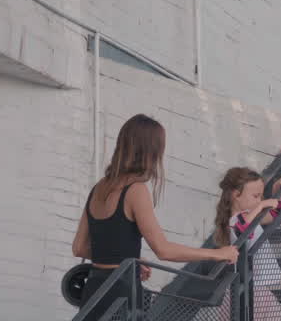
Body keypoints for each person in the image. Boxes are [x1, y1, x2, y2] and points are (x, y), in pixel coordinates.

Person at [72, 114, 238, 320]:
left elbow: (79, 248)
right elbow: (163, 250)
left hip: (94, 291)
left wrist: (127, 260)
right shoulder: (136, 190)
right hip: (120, 294)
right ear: (150, 152)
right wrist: (217, 254)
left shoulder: (99, 187)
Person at [214, 168, 281, 320]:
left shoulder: (250, 217)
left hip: (256, 289)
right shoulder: (234, 220)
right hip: (246, 291)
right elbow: (242, 229)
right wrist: (261, 206)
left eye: (261, 196)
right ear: (236, 195)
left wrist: (276, 190)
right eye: (255, 196)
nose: (259, 200)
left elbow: (277, 215)